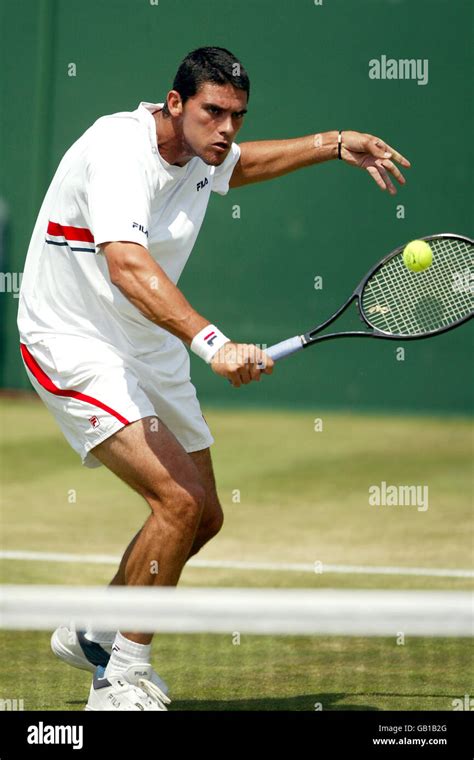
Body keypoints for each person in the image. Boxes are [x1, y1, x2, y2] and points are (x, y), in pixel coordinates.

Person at [17, 46, 410, 711]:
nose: (227, 129)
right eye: (213, 112)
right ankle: (121, 677)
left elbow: (243, 164)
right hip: (75, 338)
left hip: (147, 342)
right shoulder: (118, 151)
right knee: (177, 502)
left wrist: (334, 143)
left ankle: (97, 626)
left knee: (205, 515)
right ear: (175, 105)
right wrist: (214, 343)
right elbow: (127, 267)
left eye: (237, 116)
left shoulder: (202, 153)